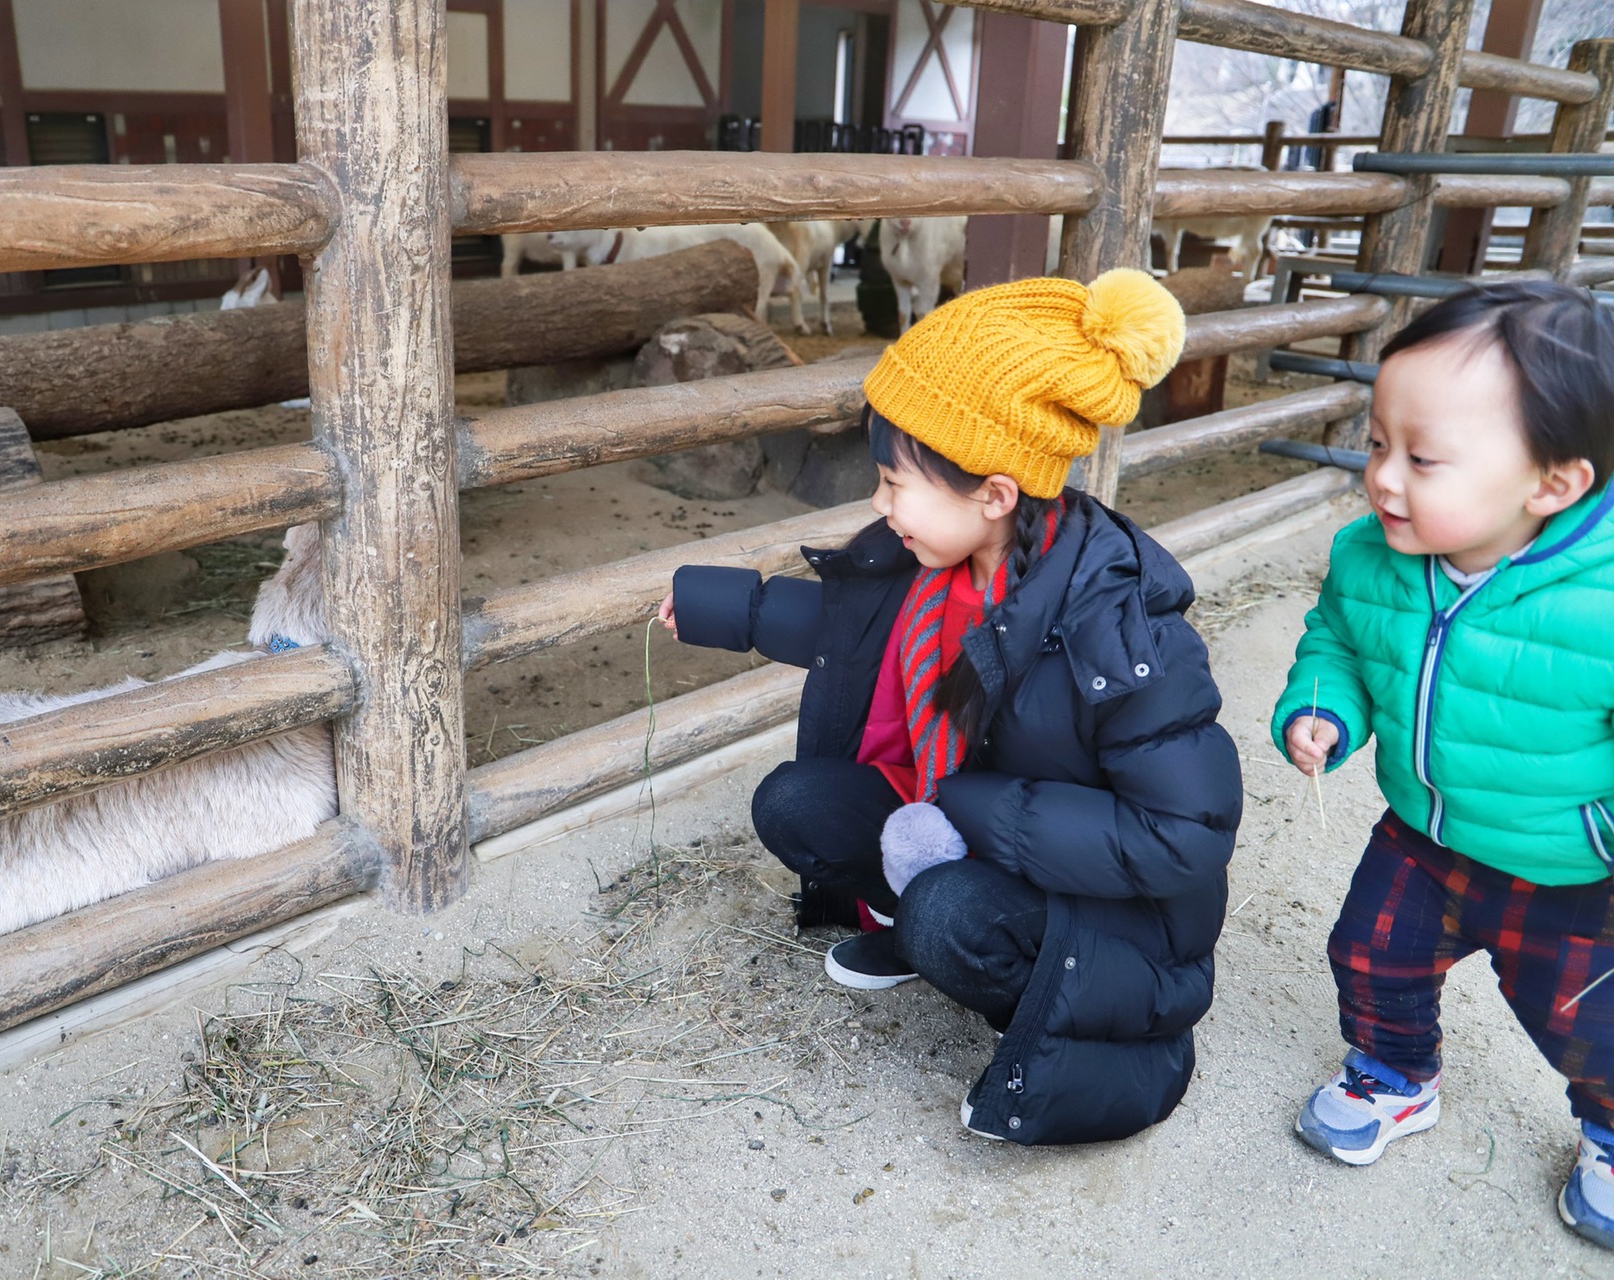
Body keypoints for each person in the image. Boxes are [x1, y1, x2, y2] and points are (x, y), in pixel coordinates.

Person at [657, 270, 1242, 1145]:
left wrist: (968, 810)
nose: (878, 504)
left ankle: (1027, 995)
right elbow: (847, 630)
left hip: (1100, 910)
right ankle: (915, 915)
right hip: (967, 822)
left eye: (895, 482)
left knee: (948, 916)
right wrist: (718, 608)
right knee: (793, 802)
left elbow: (1184, 833)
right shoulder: (936, 565)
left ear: (995, 493)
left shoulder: (1119, 633)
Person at [1273, 281, 1614, 1248]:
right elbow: (1337, 638)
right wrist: (1321, 710)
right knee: (1371, 952)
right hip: (1422, 834)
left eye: (1422, 458)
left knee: (1591, 1021)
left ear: (1552, 484)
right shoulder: (1370, 558)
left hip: (1570, 870)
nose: (1382, 477)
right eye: (1379, 443)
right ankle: (1394, 1075)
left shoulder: (1605, 598)